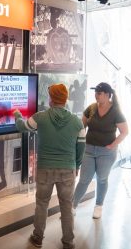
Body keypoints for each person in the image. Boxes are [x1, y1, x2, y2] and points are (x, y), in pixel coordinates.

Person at [14, 83, 86, 249]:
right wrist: (77, 166)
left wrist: (17, 114)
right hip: (68, 169)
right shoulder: (77, 122)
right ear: (66, 99)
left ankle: (38, 238)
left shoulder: (40, 117)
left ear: (51, 99)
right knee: (67, 207)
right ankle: (68, 242)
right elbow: (81, 147)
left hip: (45, 169)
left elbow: (22, 126)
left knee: (42, 204)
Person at [73, 82, 129, 219]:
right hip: (89, 150)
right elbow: (82, 127)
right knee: (84, 179)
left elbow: (124, 132)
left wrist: (112, 145)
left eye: (99, 93)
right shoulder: (91, 108)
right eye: (95, 93)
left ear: (107, 94)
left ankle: (99, 206)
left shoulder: (116, 111)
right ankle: (72, 206)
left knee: (102, 179)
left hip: (106, 152)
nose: (96, 95)